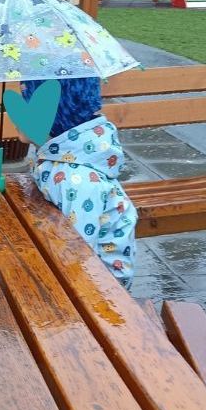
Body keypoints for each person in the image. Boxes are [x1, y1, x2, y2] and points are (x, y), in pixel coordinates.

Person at [21, 75, 137, 287]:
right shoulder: (59, 154)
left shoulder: (77, 181)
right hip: (69, 260)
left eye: (25, 102)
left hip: (101, 289)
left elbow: (78, 257)